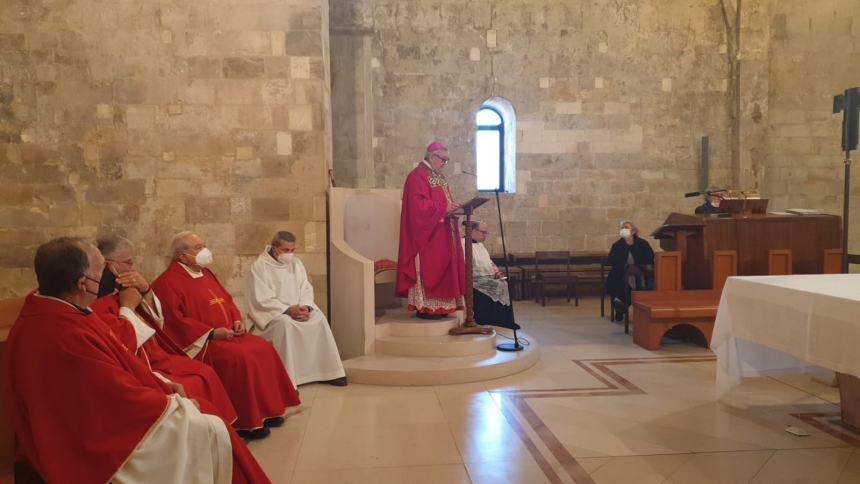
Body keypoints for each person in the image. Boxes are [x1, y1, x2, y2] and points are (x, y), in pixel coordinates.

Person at [4, 237, 235, 484]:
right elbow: (114, 396)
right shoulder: (63, 333)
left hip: (96, 415)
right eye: (101, 270)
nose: (108, 276)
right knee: (209, 428)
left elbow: (113, 364)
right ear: (83, 284)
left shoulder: (60, 309)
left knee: (201, 407)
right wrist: (169, 402)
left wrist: (145, 293)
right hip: (85, 446)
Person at [152, 231, 301, 439]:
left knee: (263, 348)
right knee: (241, 358)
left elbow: (227, 300)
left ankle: (268, 411)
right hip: (205, 342)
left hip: (230, 333)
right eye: (197, 248)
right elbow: (174, 321)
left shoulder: (206, 273)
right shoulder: (167, 282)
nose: (204, 250)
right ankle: (247, 422)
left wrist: (236, 320)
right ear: (181, 255)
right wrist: (212, 333)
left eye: (203, 245)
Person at [90, 235, 237, 423]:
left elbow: (155, 320)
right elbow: (121, 344)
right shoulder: (97, 304)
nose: (132, 269)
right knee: (197, 378)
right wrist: (128, 307)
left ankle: (216, 430)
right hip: (141, 362)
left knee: (203, 372)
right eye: (128, 263)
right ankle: (204, 430)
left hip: (153, 353)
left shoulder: (207, 274)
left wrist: (146, 291)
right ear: (109, 265)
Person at [245, 231, 347, 387]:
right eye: (286, 250)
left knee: (319, 319)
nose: (290, 254)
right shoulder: (259, 267)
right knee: (286, 324)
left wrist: (305, 307)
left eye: (292, 250)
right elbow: (262, 299)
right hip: (273, 315)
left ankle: (328, 372)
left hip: (297, 310)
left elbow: (305, 287)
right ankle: (289, 380)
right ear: (274, 248)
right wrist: (287, 310)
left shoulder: (296, 264)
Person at [395, 141, 466, 319]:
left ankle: (442, 308)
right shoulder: (417, 176)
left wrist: (452, 207)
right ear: (432, 156)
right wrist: (444, 207)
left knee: (445, 267)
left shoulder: (438, 176)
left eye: (446, 160)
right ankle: (426, 307)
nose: (444, 164)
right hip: (427, 236)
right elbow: (417, 206)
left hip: (442, 231)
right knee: (430, 267)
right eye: (443, 159)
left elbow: (443, 200)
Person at [461, 221, 519, 330]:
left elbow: (489, 262)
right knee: (498, 286)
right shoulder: (462, 244)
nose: (485, 235)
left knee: (504, 284)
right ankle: (489, 319)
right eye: (483, 232)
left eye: (486, 232)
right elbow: (464, 265)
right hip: (474, 280)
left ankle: (504, 320)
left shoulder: (480, 245)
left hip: (487, 278)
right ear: (473, 231)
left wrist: (496, 272)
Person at [606, 221, 655, 321]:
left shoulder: (642, 244)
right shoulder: (617, 245)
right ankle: (620, 307)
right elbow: (611, 260)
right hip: (620, 273)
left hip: (641, 273)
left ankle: (622, 305)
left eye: (626, 227)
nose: (623, 229)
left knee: (642, 280)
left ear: (633, 231)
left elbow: (650, 258)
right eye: (622, 227)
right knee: (617, 281)